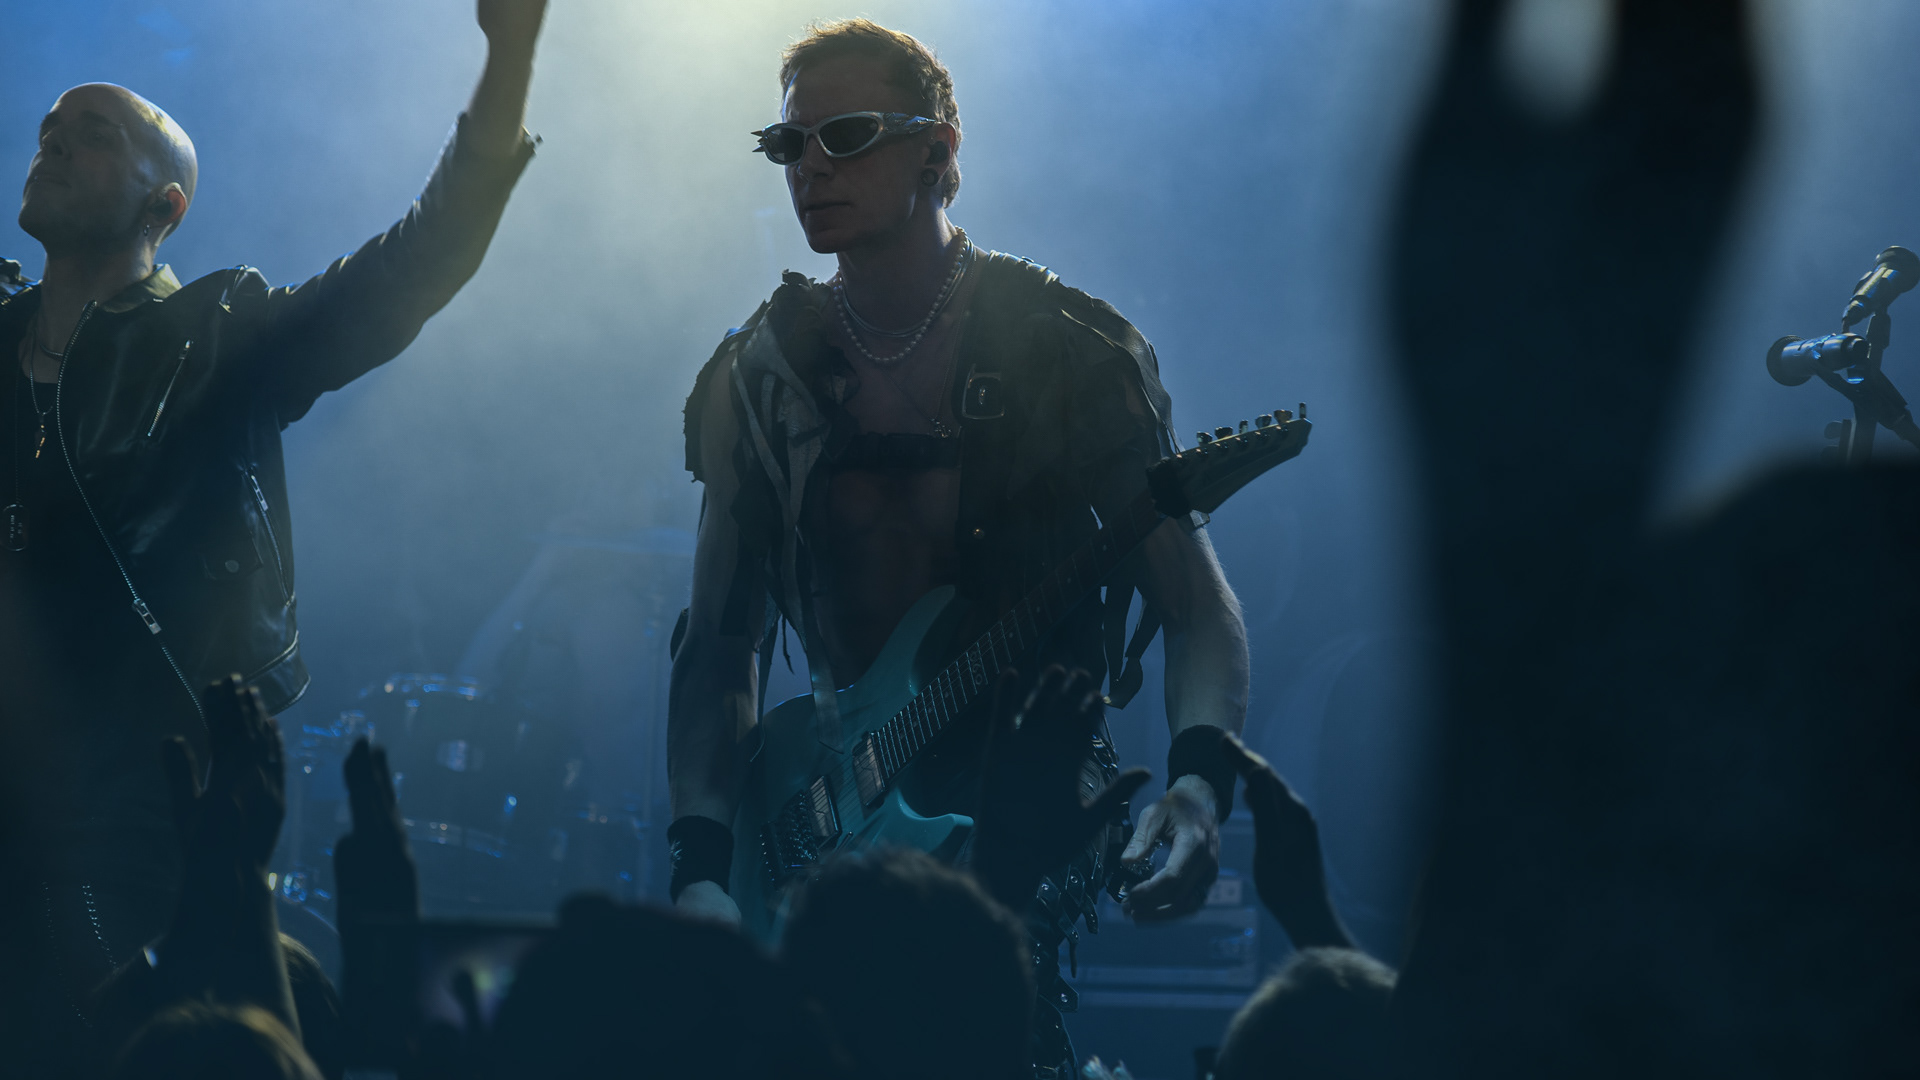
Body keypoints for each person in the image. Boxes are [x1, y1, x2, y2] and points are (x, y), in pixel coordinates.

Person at [668, 19, 1251, 1075]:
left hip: (1021, 798)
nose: (810, 168)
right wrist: (701, 866)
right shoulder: (757, 376)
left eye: (847, 135)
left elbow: (1195, 604)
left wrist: (1202, 786)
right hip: (820, 813)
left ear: (938, 151)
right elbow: (717, 645)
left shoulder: (1067, 349)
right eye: (788, 144)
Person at [0, 0, 548, 1055]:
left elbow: (416, 261)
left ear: (165, 204)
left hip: (128, 816)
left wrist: (509, 55)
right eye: (48, 129)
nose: (53, 141)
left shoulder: (218, 340)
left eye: (93, 132)